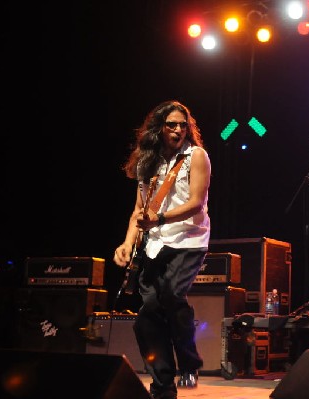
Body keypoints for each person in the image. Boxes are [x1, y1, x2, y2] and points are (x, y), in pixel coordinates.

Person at [113, 100, 211, 399]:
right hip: (154, 245)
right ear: (159, 127)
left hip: (188, 240)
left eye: (183, 124)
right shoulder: (146, 162)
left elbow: (195, 202)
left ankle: (190, 362)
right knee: (146, 319)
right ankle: (163, 388)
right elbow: (139, 211)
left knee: (170, 292)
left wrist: (160, 218)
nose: (179, 129)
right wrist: (127, 243)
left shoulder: (196, 156)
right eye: (172, 124)